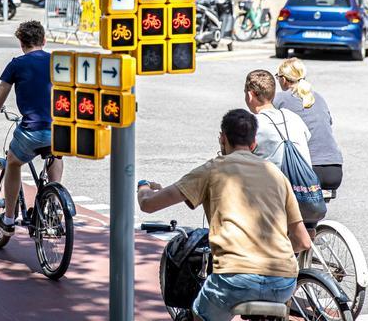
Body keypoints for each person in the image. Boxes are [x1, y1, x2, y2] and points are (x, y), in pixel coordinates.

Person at [137, 109, 311, 321]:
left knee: (198, 315)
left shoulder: (212, 170)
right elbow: (303, 240)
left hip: (233, 279)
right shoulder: (275, 174)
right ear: (254, 142)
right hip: (283, 282)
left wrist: (143, 186)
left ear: (222, 138)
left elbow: (148, 204)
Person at [0, 21, 55, 236]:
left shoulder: (17, 64)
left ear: (22, 44)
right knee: (56, 155)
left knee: (13, 162)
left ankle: (9, 219)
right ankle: (52, 202)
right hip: (60, 129)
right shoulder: (57, 62)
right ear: (44, 41)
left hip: (32, 130)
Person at [274, 58, 344, 191]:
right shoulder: (318, 97)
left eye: (277, 77)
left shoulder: (280, 98)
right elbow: (327, 123)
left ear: (283, 79)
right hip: (334, 169)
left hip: (305, 170)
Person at [244, 69, 311, 168]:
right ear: (273, 94)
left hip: (275, 182)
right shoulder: (293, 117)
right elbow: (307, 137)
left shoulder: (252, 124)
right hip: (304, 181)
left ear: (250, 95)